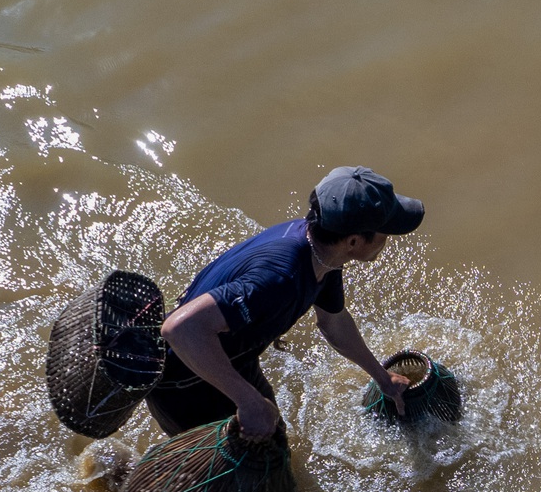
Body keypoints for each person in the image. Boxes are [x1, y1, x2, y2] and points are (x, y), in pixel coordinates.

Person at [148, 166, 423, 439]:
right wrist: (247, 400)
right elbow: (179, 329)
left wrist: (382, 378)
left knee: (274, 437)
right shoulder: (279, 279)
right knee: (235, 477)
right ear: (353, 241)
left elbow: (334, 323)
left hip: (235, 361)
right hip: (188, 383)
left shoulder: (322, 251)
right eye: (385, 231)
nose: (388, 239)